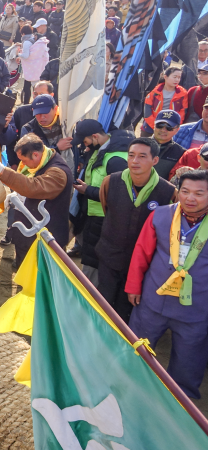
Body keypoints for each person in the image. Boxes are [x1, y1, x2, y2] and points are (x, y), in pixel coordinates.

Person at [125, 169, 208, 400]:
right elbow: (141, 252)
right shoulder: (161, 215)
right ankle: (130, 386)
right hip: (153, 299)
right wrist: (134, 286)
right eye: (185, 191)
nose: (190, 198)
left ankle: (180, 403)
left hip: (197, 305)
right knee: (138, 346)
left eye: (199, 193)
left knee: (189, 359)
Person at [92, 137, 176, 324]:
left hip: (142, 263)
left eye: (142, 156)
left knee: (127, 306)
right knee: (103, 300)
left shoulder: (168, 192)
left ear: (155, 160)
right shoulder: (110, 182)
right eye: (131, 155)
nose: (135, 161)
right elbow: (108, 209)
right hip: (109, 255)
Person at [0, 133, 73, 265]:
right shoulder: (41, 162)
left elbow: (33, 187)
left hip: (46, 239)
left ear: (36, 155)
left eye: (25, 161)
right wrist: (18, 196)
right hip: (30, 235)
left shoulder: (57, 173)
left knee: (40, 278)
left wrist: (3, 171)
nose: (23, 164)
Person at [71, 119, 133, 286]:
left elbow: (120, 195)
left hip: (104, 218)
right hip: (94, 215)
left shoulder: (116, 160)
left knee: (95, 266)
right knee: (90, 262)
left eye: (85, 142)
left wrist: (87, 191)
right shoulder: (101, 150)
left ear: (95, 136)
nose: (84, 146)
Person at [142, 67, 188, 137]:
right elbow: (147, 112)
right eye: (174, 77)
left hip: (170, 128)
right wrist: (156, 126)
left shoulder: (182, 94)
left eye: (179, 77)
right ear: (165, 77)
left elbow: (183, 112)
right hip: (150, 127)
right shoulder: (155, 91)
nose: (177, 80)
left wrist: (175, 126)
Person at [151, 110, 186, 179]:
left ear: (177, 130)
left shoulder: (181, 153)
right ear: (154, 126)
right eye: (160, 125)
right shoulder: (138, 145)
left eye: (169, 127)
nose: (163, 130)